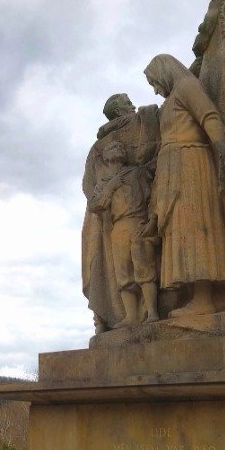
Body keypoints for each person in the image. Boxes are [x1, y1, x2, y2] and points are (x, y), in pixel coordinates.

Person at [143, 54, 225, 317]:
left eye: (155, 82)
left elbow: (210, 118)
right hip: (173, 169)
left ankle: (203, 298)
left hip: (192, 164)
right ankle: (191, 296)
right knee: (179, 230)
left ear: (164, 72)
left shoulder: (187, 87)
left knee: (195, 227)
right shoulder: (171, 99)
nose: (156, 90)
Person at [82, 93, 160, 331]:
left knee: (143, 266)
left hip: (137, 221)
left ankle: (152, 312)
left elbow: (152, 181)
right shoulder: (98, 152)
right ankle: (129, 315)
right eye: (126, 103)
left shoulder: (136, 173)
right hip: (114, 224)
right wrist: (107, 188)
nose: (132, 105)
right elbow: (92, 193)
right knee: (122, 271)